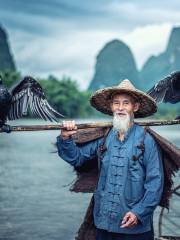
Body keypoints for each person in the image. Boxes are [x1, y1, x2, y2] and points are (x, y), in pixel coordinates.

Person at [56, 79, 164, 240]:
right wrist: (65, 138)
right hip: (103, 223)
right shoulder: (105, 138)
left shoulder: (146, 141)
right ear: (111, 107)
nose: (120, 108)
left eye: (126, 103)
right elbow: (77, 158)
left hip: (135, 227)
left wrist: (138, 212)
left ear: (135, 107)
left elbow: (155, 183)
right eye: (116, 103)